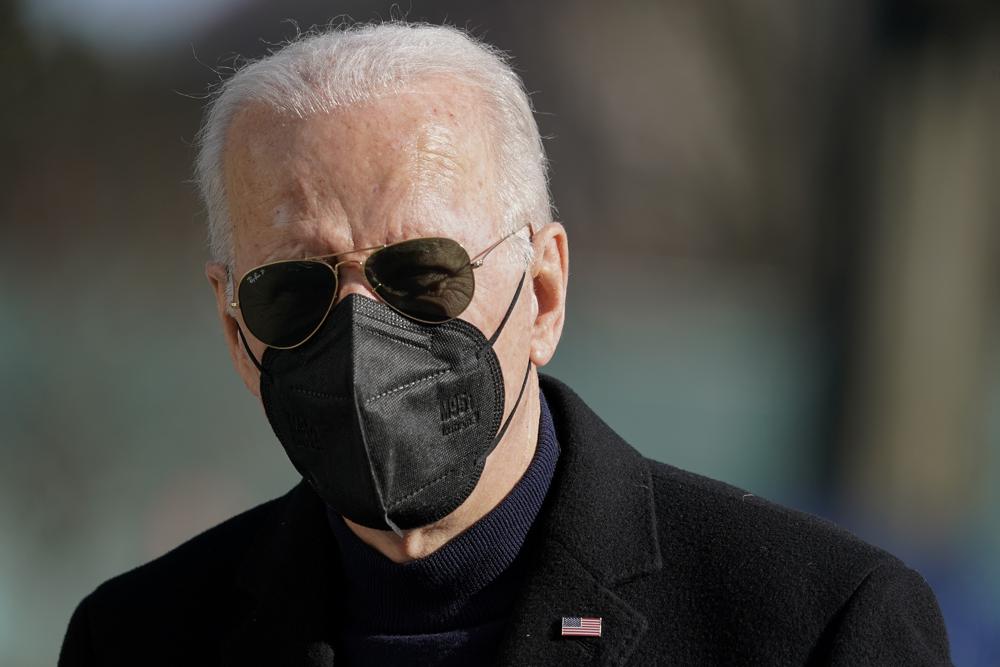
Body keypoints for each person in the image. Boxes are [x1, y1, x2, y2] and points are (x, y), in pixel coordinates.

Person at [58, 22, 952, 666]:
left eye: (422, 272)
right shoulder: (136, 638)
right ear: (234, 327)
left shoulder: (815, 625)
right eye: (295, 287)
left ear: (545, 291)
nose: (365, 330)